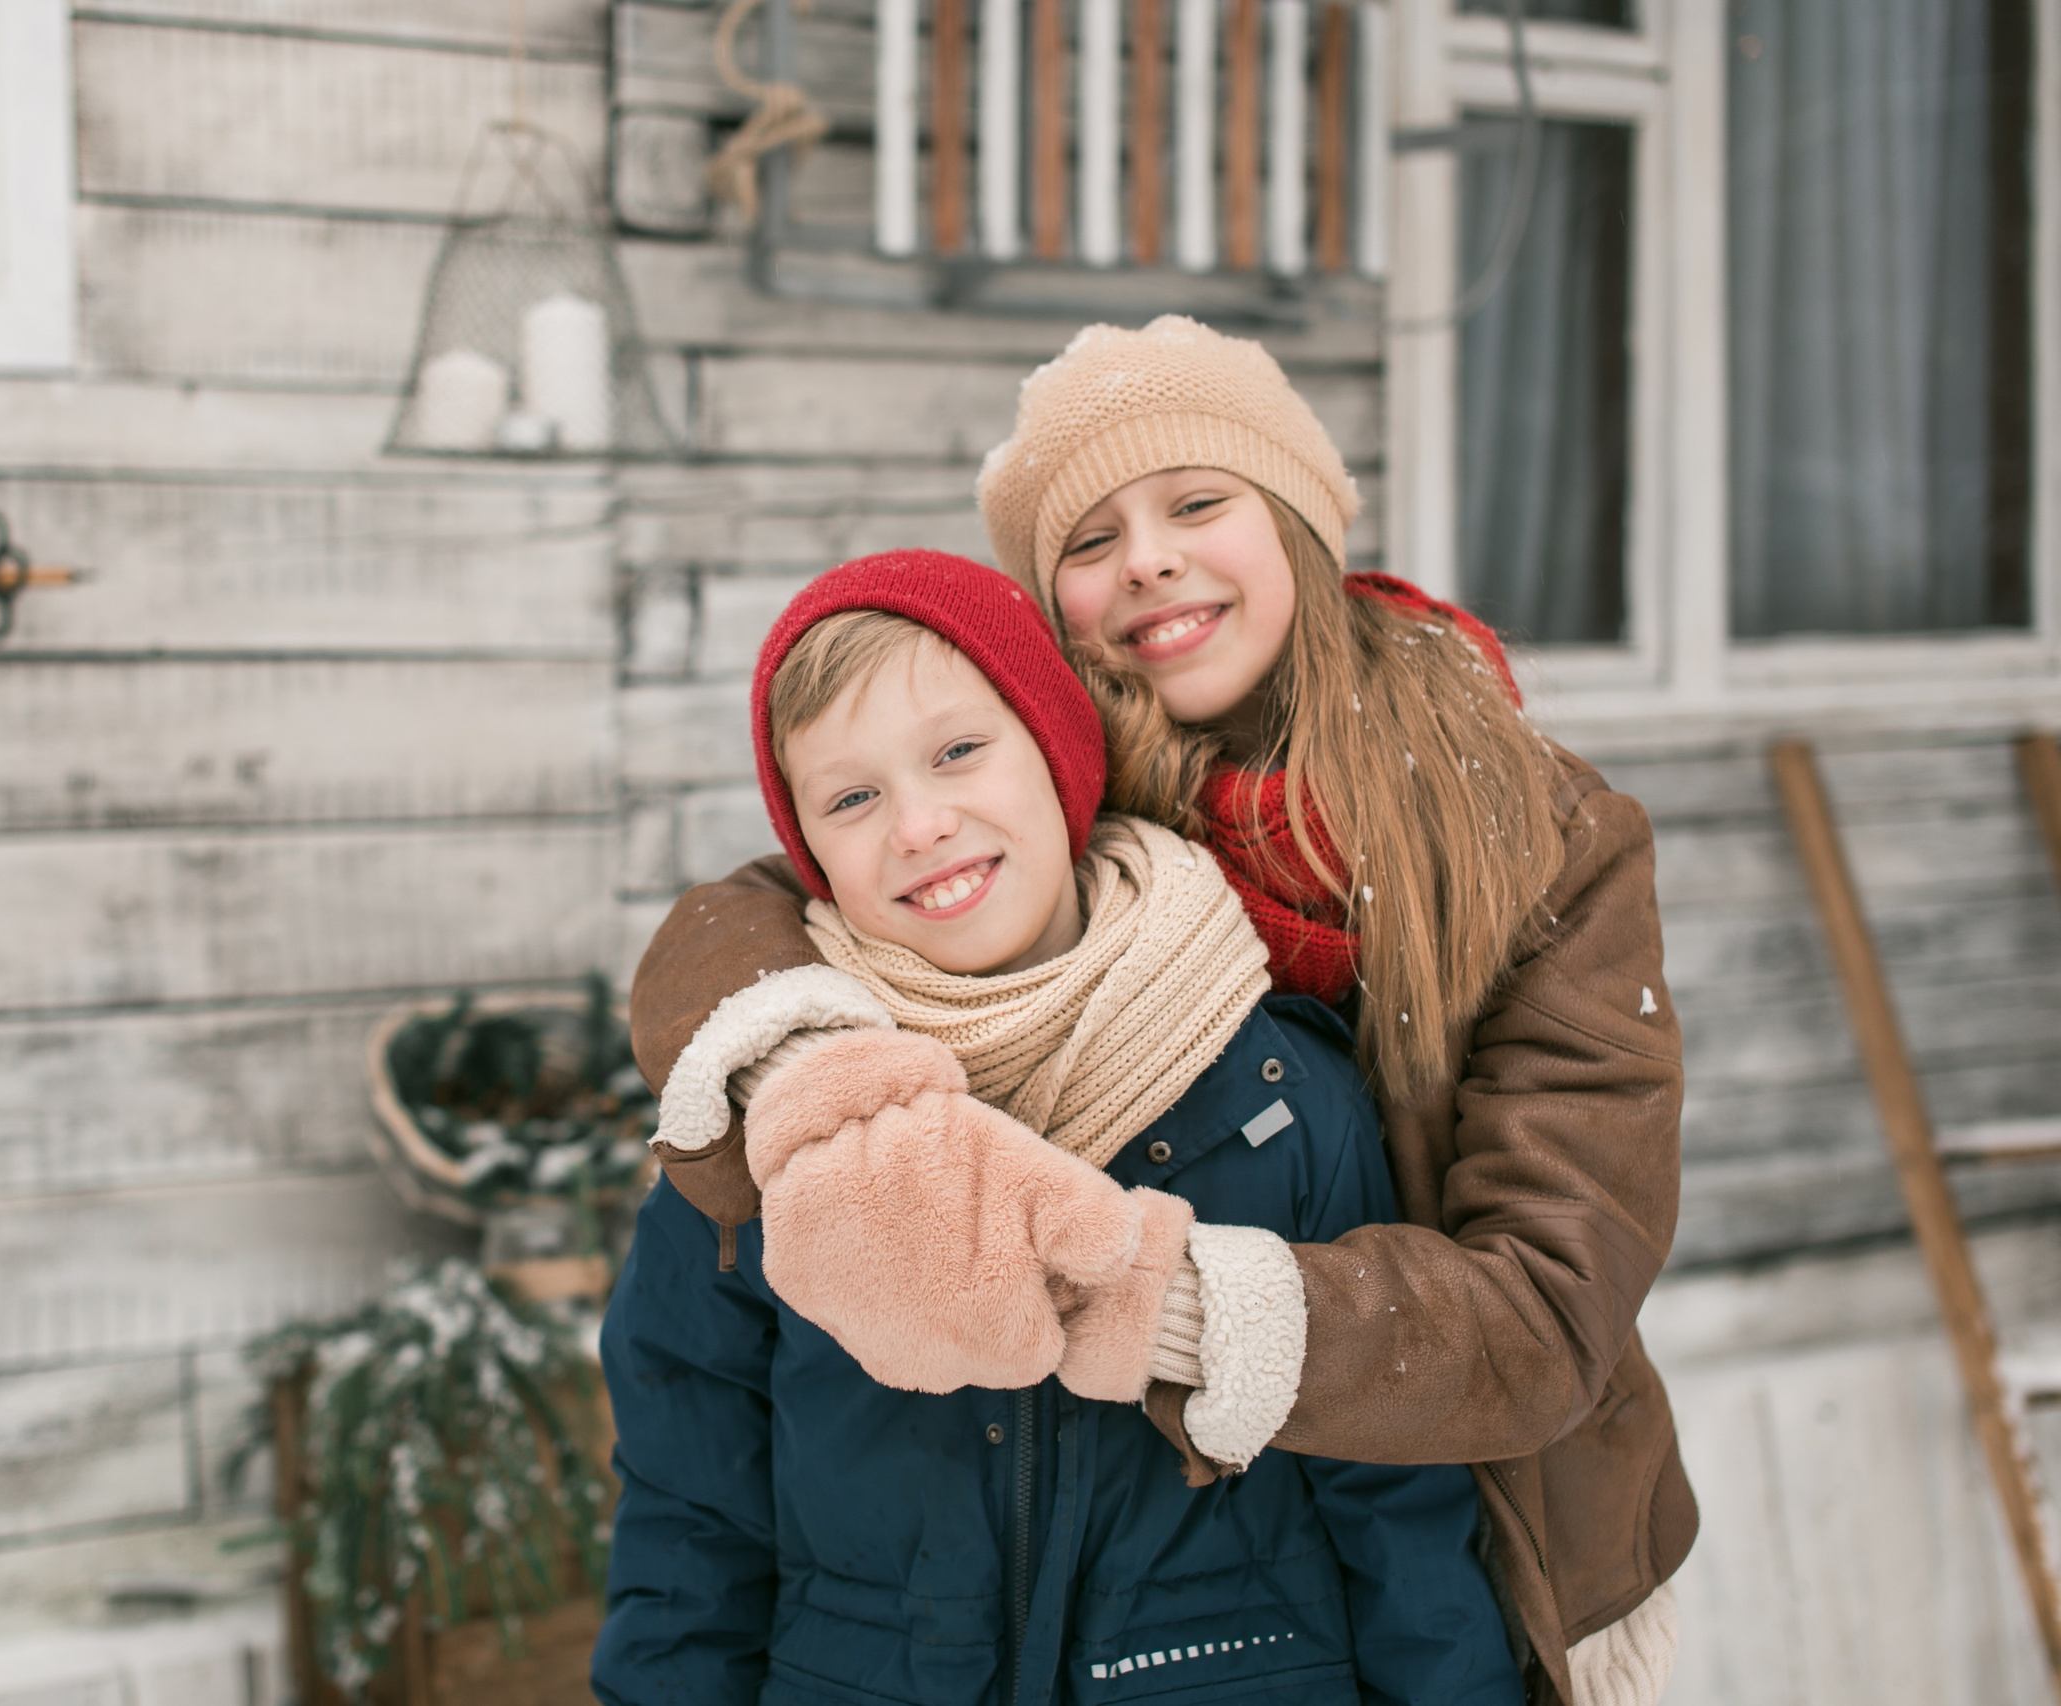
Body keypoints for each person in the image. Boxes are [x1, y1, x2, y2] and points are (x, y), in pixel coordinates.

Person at [625, 319, 1691, 1706]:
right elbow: (764, 909)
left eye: (1198, 501)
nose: (1148, 559)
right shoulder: (1052, 793)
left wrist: (1143, 1289)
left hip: (1510, 1508)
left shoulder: (1533, 829)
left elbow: (1549, 1308)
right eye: (1088, 539)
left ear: (1297, 516)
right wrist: (809, 1084)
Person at [592, 552, 1522, 1706]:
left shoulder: (1277, 1088)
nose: (921, 823)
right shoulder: (774, 1114)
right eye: (850, 797)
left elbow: (1394, 1490)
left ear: (1057, 748)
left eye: (956, 751)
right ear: (812, 859)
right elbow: (692, 1505)